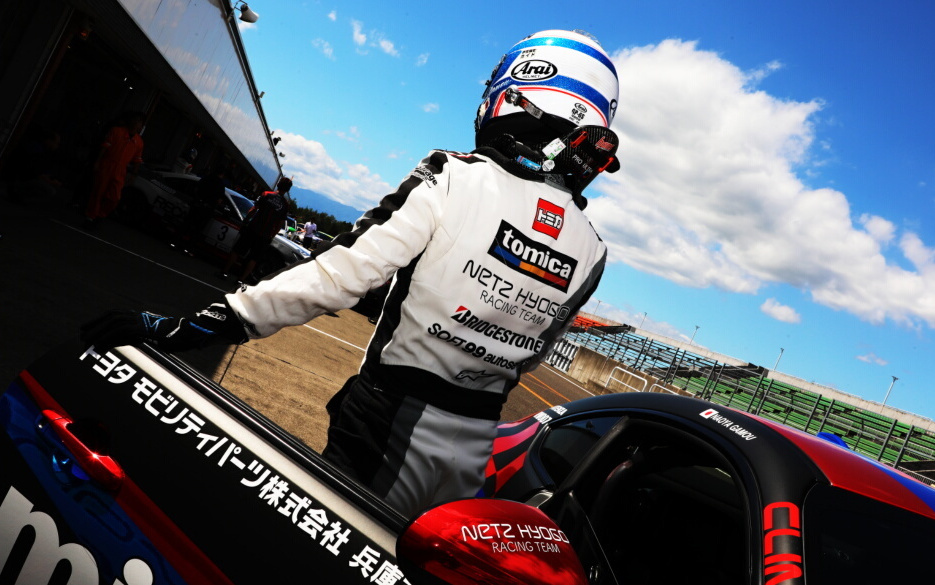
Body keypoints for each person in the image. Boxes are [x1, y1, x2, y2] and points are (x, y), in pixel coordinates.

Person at [80, 30, 620, 518]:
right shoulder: (593, 251)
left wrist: (191, 327)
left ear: (522, 94)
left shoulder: (454, 176)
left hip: (384, 429)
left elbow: (336, 275)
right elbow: (531, 355)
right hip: (469, 461)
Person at [218, 176, 292, 282]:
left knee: (237, 250)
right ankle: (241, 280)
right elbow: (280, 224)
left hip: (253, 228)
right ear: (288, 190)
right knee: (254, 258)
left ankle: (224, 272)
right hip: (265, 235)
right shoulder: (285, 205)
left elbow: (253, 209)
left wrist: (245, 221)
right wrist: (272, 236)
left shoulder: (266, 194)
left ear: (278, 184)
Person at [84, 112, 145, 226]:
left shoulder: (139, 142)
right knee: (98, 191)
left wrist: (133, 175)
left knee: (115, 197)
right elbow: (105, 147)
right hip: (107, 164)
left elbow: (137, 160)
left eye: (139, 122)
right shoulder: (117, 131)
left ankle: (100, 214)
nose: (137, 124)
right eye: (135, 120)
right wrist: (98, 162)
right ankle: (91, 216)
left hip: (121, 169)